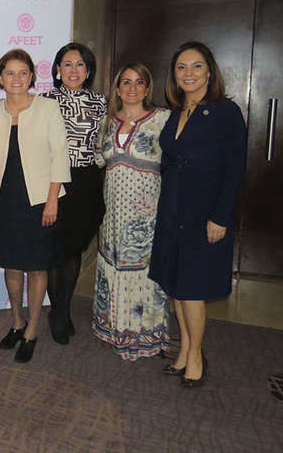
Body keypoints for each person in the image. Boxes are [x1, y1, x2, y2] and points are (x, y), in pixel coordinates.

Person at [149, 42, 246, 387]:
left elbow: (234, 170)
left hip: (204, 213)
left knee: (192, 289)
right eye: (181, 67)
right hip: (173, 208)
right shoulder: (176, 111)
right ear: (173, 74)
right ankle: (184, 349)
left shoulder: (224, 112)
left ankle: (195, 358)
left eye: (196, 66)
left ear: (210, 72)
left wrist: (221, 216)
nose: (188, 74)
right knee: (176, 286)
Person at [0, 49, 69, 363]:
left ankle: (32, 329)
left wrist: (52, 200)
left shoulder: (47, 108)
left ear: (32, 76)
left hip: (39, 200)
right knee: (11, 264)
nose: (16, 79)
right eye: (10, 73)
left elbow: (59, 154)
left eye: (23, 73)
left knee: (36, 267)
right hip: (4, 200)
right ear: (0, 77)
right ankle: (17, 322)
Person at [91, 63, 171, 360]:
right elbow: (99, 160)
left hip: (146, 213)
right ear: (118, 88)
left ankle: (146, 334)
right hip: (112, 211)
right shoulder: (108, 121)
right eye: (126, 82)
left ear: (148, 88)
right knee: (112, 264)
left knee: (145, 269)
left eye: (139, 82)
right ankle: (112, 328)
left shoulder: (162, 119)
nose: (133, 88)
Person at [43, 43, 107, 344]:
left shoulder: (101, 102)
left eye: (80, 64)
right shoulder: (44, 101)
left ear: (88, 69)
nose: (73, 70)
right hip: (55, 181)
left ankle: (62, 308)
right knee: (55, 249)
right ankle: (57, 314)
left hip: (87, 181)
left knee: (74, 249)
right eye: (66, 64)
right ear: (57, 69)